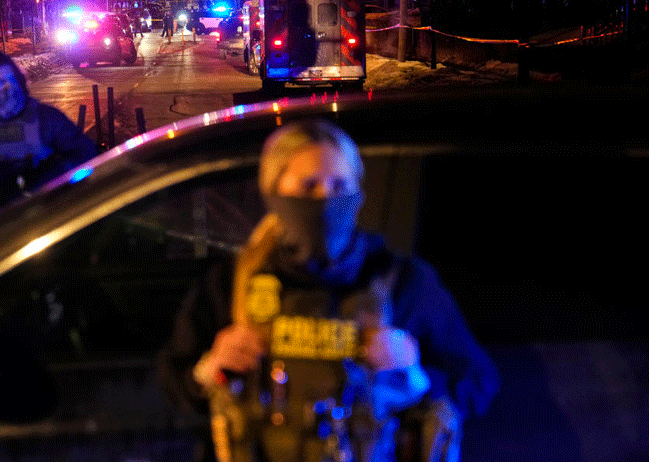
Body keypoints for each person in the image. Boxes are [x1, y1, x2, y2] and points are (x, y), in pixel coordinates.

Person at [159, 119, 499, 462]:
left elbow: (478, 384)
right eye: (308, 186)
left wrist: (414, 375)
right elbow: (175, 383)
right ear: (273, 191)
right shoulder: (234, 281)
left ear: (358, 193)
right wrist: (211, 366)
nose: (325, 198)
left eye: (339, 186)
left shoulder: (401, 282)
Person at [0, 49, 97, 222]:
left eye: (11, 80)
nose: (8, 89)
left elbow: (83, 152)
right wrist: (12, 196)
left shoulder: (45, 117)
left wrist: (46, 180)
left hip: (45, 214)